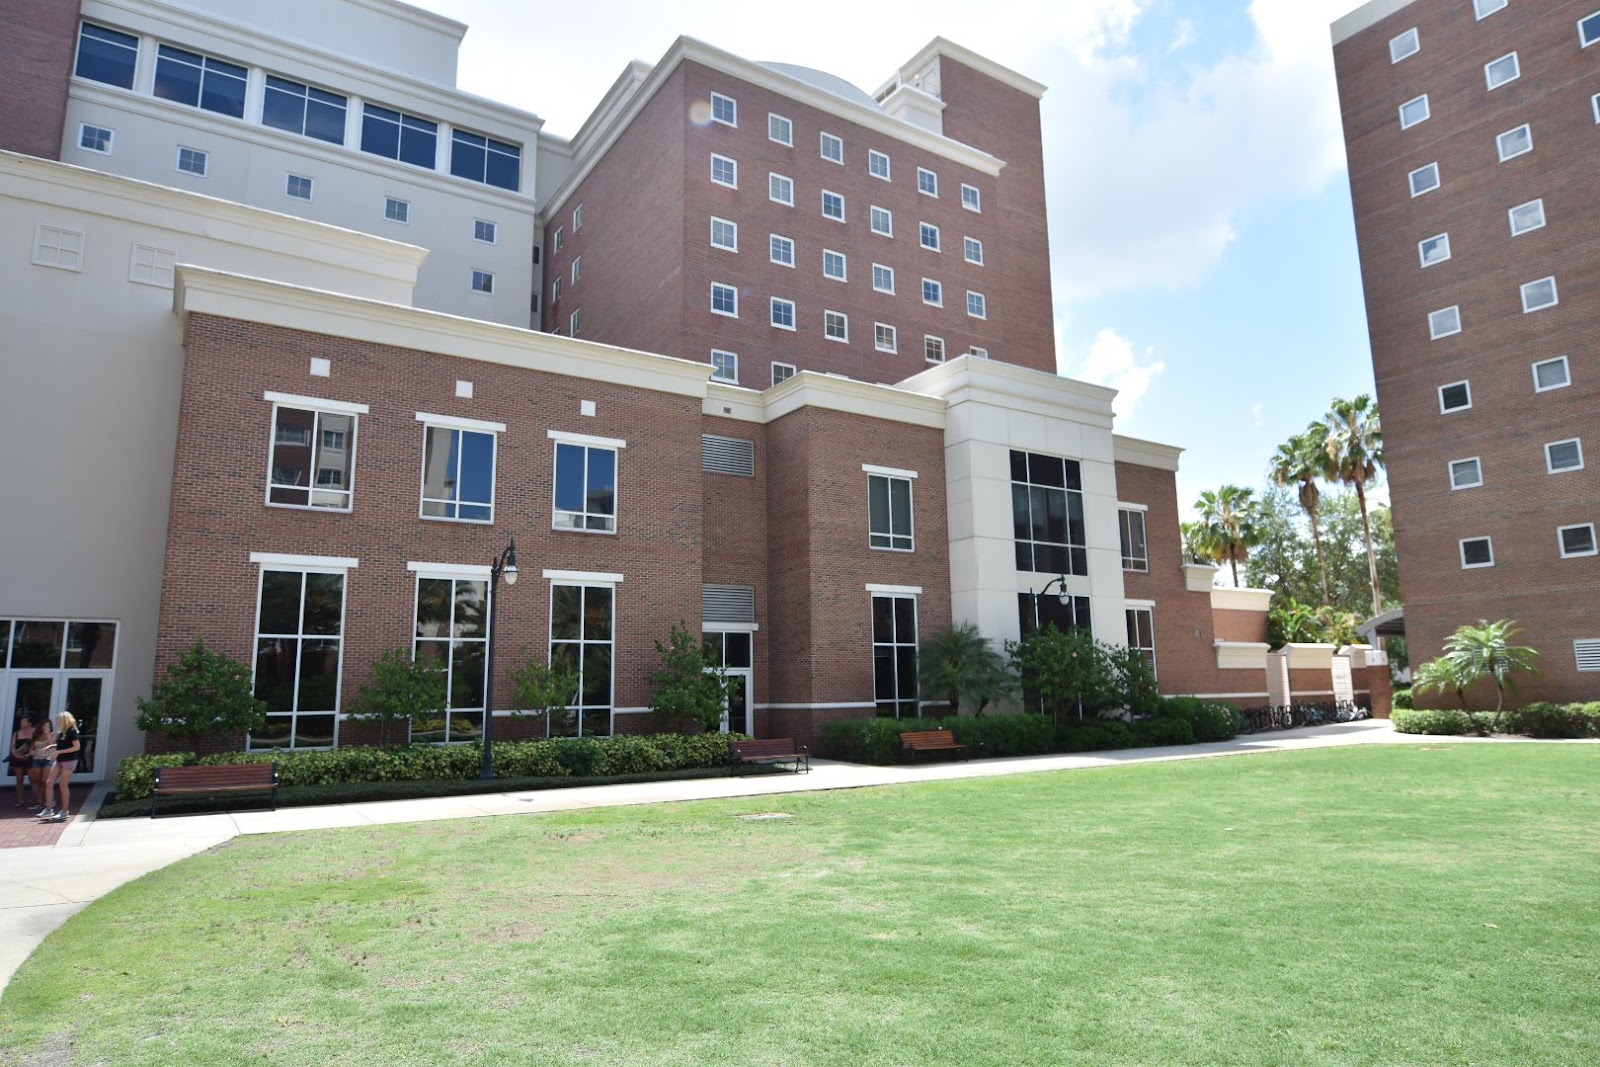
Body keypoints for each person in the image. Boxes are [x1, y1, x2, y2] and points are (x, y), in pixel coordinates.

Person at [41, 711, 82, 822]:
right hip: (60, 760)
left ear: (64, 719)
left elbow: (76, 747)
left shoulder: (71, 731)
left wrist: (59, 752)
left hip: (69, 761)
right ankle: (49, 809)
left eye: (58, 719)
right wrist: (51, 746)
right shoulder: (61, 732)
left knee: (63, 785)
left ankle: (65, 811)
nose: (57, 721)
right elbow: (60, 744)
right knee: (49, 783)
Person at [29, 714, 56, 818]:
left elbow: (51, 745)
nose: (46, 727)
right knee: (38, 780)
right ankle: (39, 802)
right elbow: (31, 748)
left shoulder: (53, 734)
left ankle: (50, 801)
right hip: (37, 759)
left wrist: (47, 734)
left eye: (48, 725)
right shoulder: (36, 736)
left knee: (46, 780)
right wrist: (32, 752)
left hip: (47, 759)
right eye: (45, 725)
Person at [8, 716, 34, 808]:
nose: (21, 723)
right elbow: (13, 747)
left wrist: (28, 755)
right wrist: (16, 755)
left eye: (24, 721)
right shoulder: (16, 734)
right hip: (18, 758)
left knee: (33, 779)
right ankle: (20, 800)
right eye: (21, 721)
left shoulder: (34, 732)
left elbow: (36, 745)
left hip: (30, 758)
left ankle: (37, 801)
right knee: (19, 779)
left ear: (30, 723)